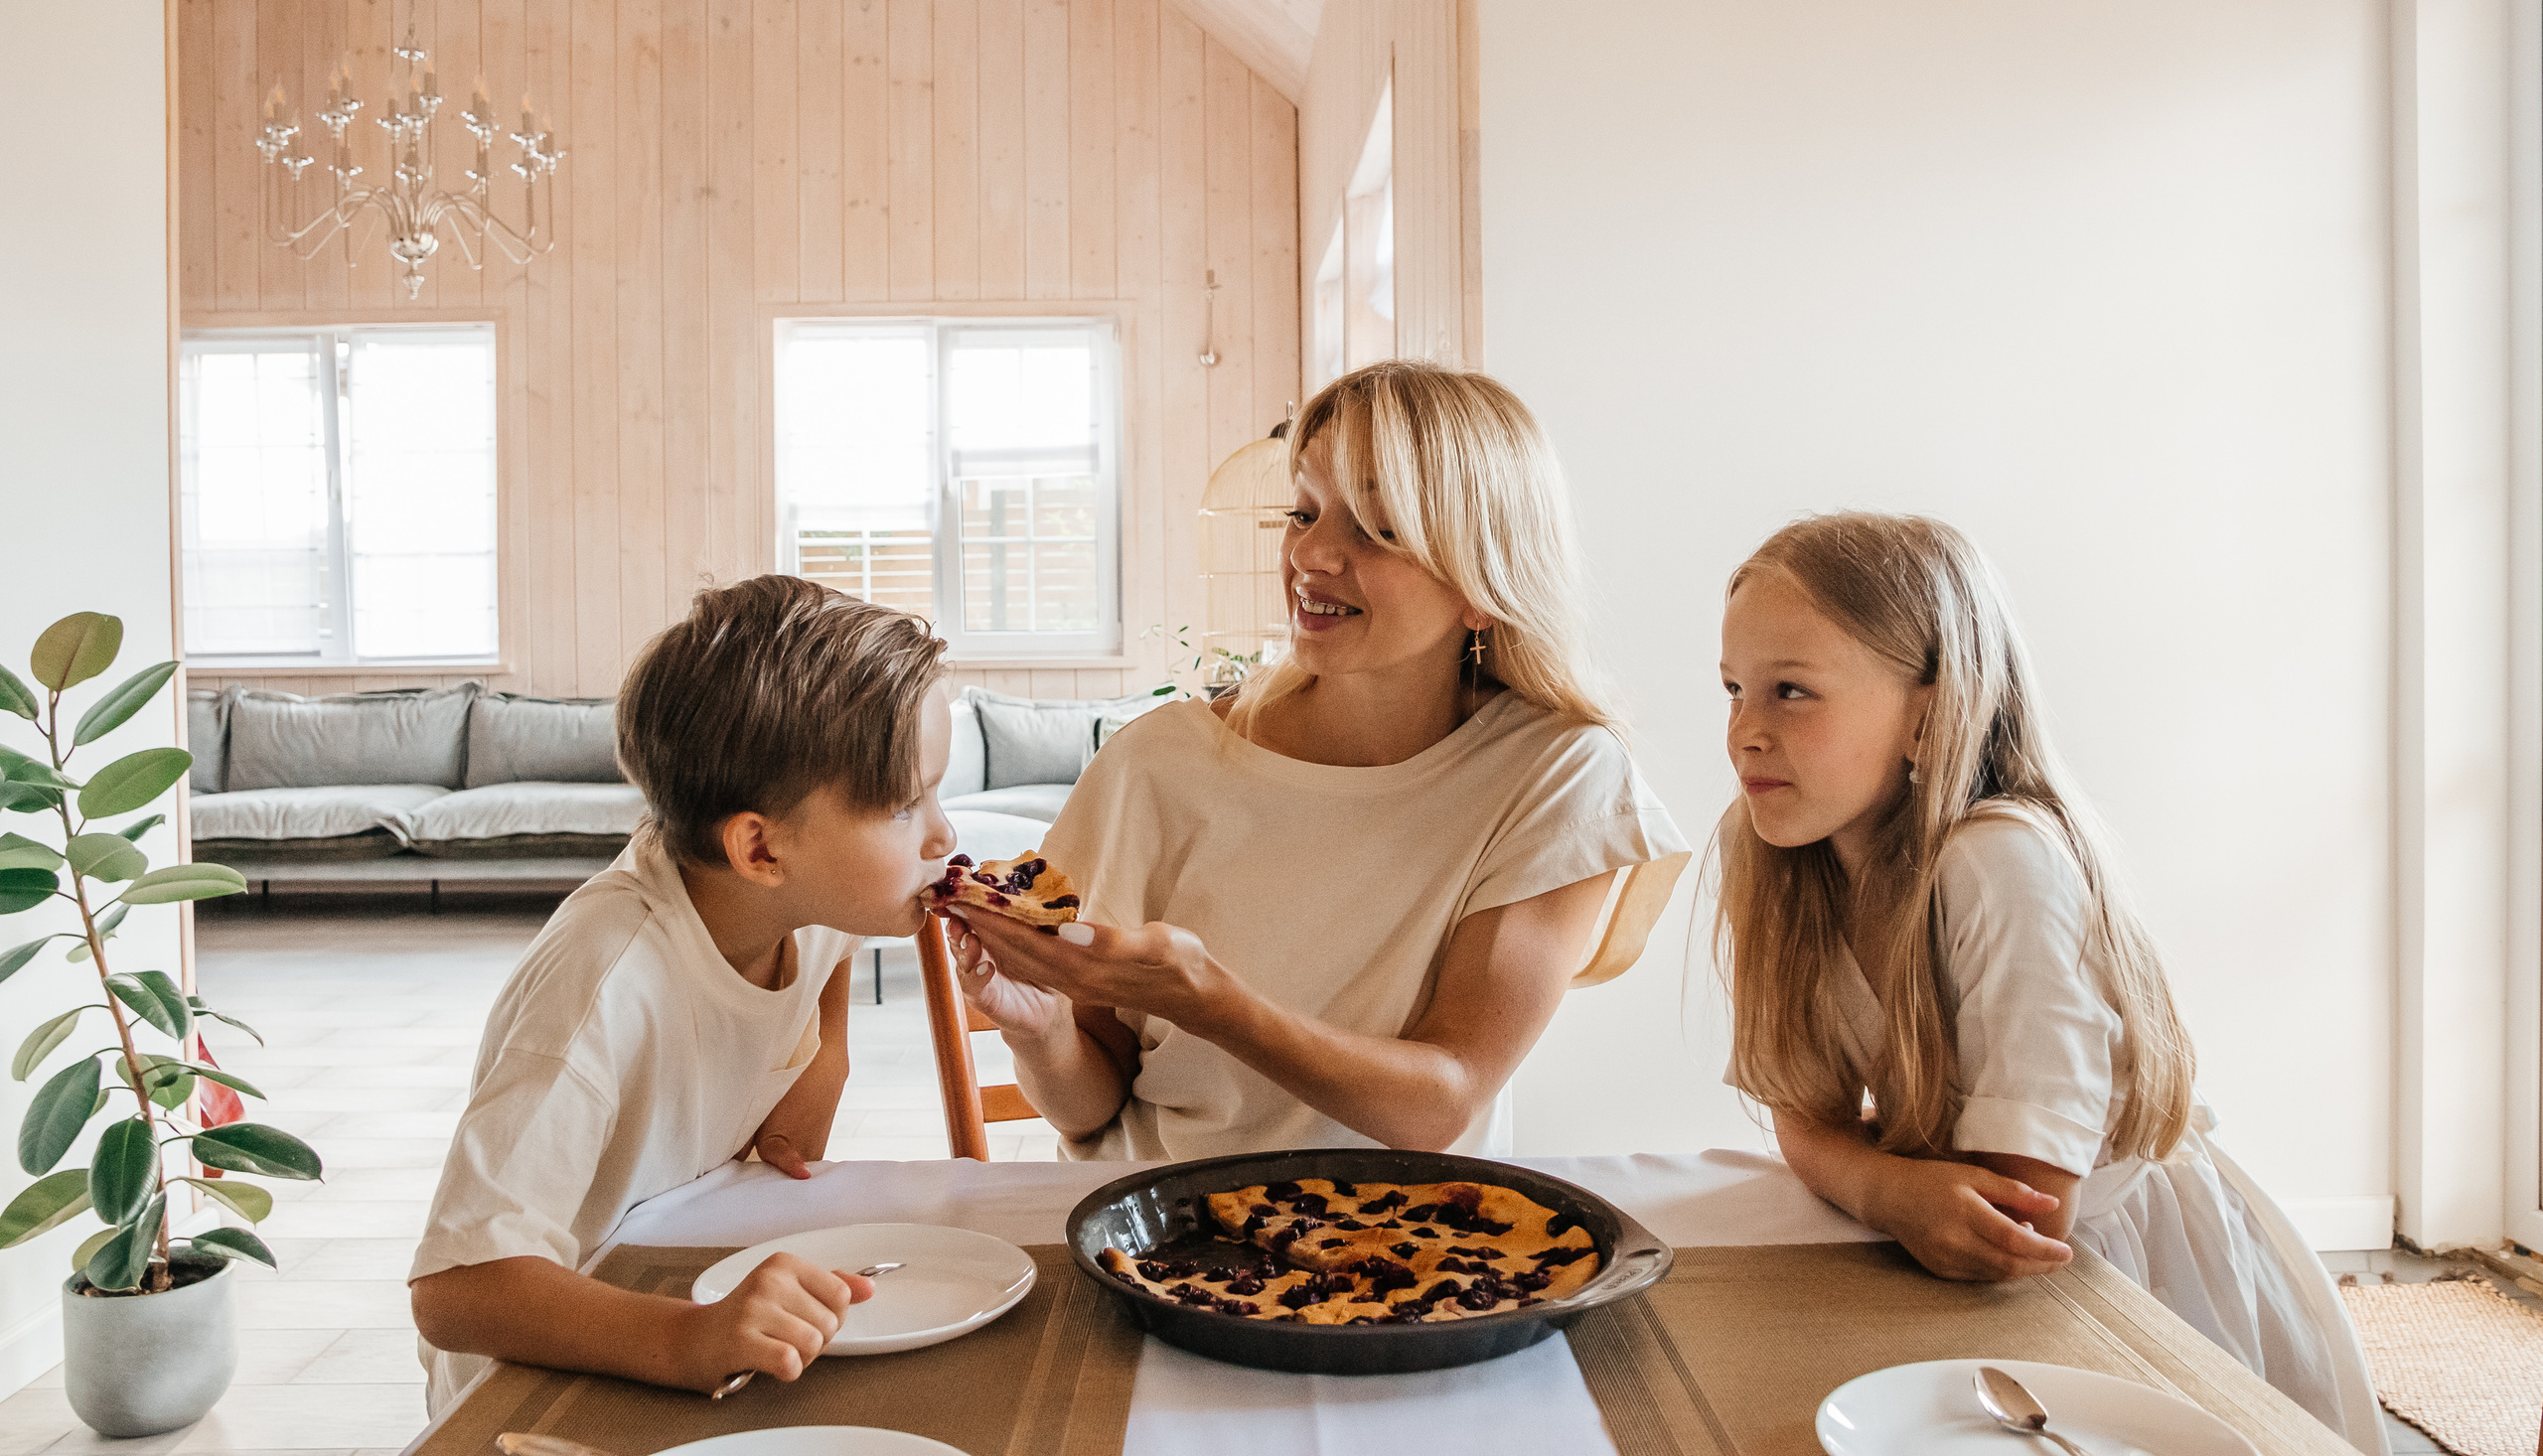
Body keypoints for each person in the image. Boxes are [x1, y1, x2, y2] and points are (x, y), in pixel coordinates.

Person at [1712, 511, 2385, 1453]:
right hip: (1962, 1258)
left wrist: (1872, 1174)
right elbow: (1801, 1114)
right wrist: (1888, 1191)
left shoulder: (1998, 862)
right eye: (1735, 688)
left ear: (1928, 713)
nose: (1745, 731)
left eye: (1792, 691)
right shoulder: (1786, 862)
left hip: (2115, 1272)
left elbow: (2025, 1211)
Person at [946, 361, 1688, 1159]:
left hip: (1418, 1254)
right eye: (1304, 511)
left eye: (1377, 526)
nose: (1313, 554)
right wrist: (1044, 1033)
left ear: (1481, 583)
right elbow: (1086, 1111)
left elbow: (1443, 1099)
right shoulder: (1158, 764)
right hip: (1154, 1241)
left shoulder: (1557, 774)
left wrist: (1213, 1001)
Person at [407, 577, 958, 1410]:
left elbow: (833, 942)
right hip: (550, 1376)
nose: (944, 834)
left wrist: (827, 1055)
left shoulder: (805, 896)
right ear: (760, 849)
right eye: (906, 804)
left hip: (687, 1288)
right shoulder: (603, 982)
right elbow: (455, 1289)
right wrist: (686, 1339)